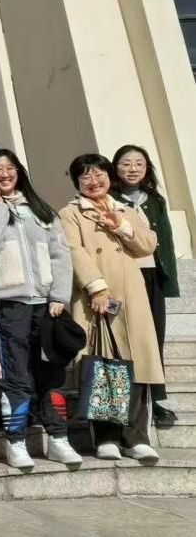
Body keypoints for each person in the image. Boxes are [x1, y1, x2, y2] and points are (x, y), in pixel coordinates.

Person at [0, 149, 78, 470]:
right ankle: (16, 442)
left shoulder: (42, 211)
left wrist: (59, 296)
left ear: (19, 172)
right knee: (14, 375)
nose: (4, 174)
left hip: (46, 305)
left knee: (51, 374)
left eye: (9, 168)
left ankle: (58, 439)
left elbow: (61, 256)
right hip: (9, 304)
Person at [59, 154, 163, 462]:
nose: (94, 181)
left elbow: (147, 245)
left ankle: (137, 437)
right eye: (86, 176)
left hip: (130, 298)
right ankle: (106, 437)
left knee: (138, 364)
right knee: (103, 366)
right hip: (96, 299)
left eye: (99, 174)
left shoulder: (124, 209)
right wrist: (97, 287)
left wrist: (121, 226)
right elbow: (74, 251)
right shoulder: (71, 213)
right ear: (77, 182)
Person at [112, 144, 180, 428]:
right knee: (123, 340)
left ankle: (157, 399)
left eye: (139, 163)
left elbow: (166, 241)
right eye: (126, 163)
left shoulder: (155, 200)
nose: (133, 169)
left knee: (154, 338)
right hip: (122, 276)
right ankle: (122, 403)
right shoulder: (108, 199)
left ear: (147, 168)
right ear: (115, 168)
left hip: (151, 276)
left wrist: (169, 281)